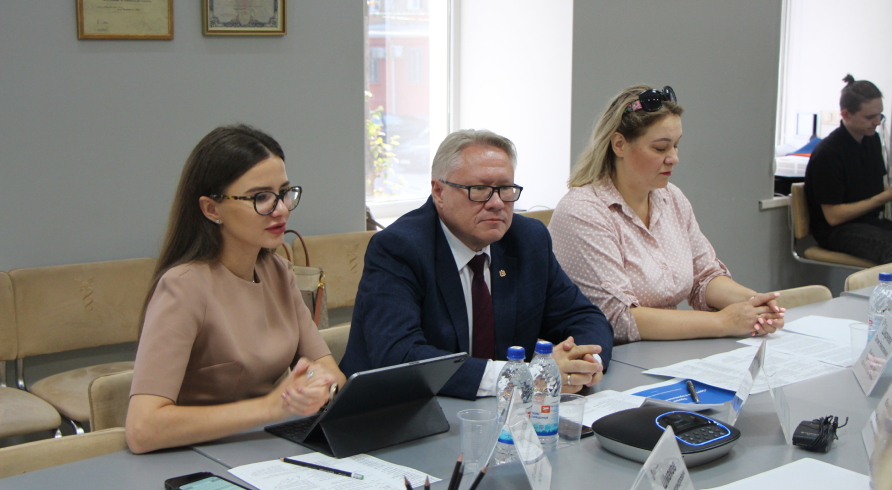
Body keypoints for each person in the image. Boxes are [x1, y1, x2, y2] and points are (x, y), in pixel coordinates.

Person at [339, 129, 614, 400]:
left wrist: (583, 364)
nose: (496, 203)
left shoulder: (528, 239)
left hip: (501, 413)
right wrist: (521, 377)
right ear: (439, 191)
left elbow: (585, 318)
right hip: (398, 413)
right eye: (479, 189)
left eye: (505, 189)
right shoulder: (399, 248)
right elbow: (400, 356)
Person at [126, 125, 346, 454]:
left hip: (262, 448)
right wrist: (272, 407)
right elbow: (142, 429)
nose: (281, 209)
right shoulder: (183, 287)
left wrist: (316, 389)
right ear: (211, 209)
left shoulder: (279, 272)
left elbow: (332, 376)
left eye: (284, 193)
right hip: (193, 457)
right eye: (261, 198)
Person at [549, 85, 785, 344]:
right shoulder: (583, 211)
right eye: (661, 148)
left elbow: (704, 276)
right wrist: (725, 322)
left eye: (676, 146)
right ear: (619, 145)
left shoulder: (671, 198)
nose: (674, 158)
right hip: (609, 357)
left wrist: (755, 303)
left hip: (662, 350)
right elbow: (618, 318)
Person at [804, 75, 889, 262]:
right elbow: (833, 217)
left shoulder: (871, 140)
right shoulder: (828, 153)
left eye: (879, 115)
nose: (877, 122)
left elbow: (876, 186)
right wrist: (884, 197)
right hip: (836, 231)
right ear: (846, 115)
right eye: (870, 117)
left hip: (869, 223)